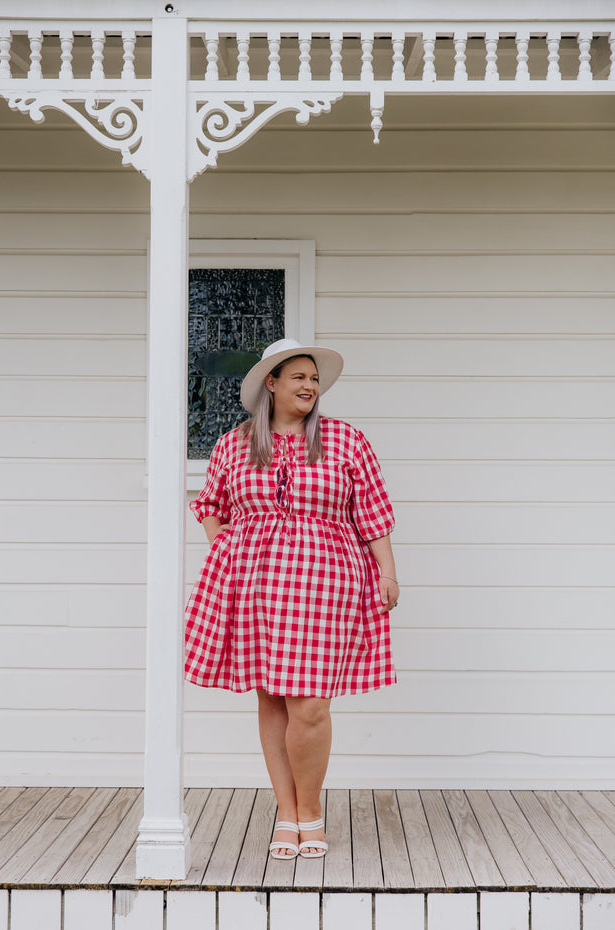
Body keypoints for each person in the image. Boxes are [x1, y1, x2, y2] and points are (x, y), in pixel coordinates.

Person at [185, 338, 399, 860]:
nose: (309, 386)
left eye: (314, 378)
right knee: (273, 700)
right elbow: (210, 503)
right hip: (255, 584)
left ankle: (311, 812)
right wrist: (229, 547)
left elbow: (372, 511)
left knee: (310, 705)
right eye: (298, 376)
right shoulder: (235, 444)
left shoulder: (344, 441)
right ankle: (286, 812)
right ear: (271, 384)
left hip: (327, 581)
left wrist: (388, 573)